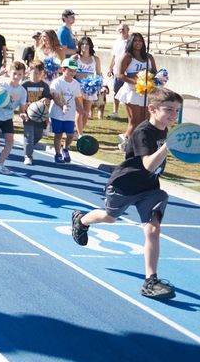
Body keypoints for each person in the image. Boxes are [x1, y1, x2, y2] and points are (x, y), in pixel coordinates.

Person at [71, 87, 183, 300]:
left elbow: (152, 170)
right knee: (109, 217)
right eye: (169, 109)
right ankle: (81, 220)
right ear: (152, 109)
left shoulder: (164, 130)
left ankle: (151, 280)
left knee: (152, 231)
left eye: (177, 111)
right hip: (125, 186)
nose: (173, 115)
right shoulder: (143, 132)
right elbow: (148, 164)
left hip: (149, 189)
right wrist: (167, 147)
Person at [114, 32, 155, 151]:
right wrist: (135, 82)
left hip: (146, 92)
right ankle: (126, 140)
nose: (138, 43)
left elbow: (155, 72)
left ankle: (139, 144)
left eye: (140, 41)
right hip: (131, 92)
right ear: (131, 42)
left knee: (146, 121)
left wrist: (156, 78)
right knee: (135, 121)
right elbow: (119, 75)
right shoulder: (127, 56)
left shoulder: (149, 57)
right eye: (136, 41)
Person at [50, 57, 82, 163]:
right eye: (70, 70)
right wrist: (62, 106)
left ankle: (65, 149)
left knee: (70, 134)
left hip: (70, 114)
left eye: (74, 70)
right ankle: (58, 153)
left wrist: (81, 110)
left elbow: (76, 98)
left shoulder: (76, 84)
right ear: (63, 70)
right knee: (58, 135)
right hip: (57, 114)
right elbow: (55, 97)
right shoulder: (57, 82)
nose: (72, 72)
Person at [20, 60, 51, 165]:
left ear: (42, 73)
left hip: (40, 115)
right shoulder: (24, 85)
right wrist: (25, 107)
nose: (35, 75)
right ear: (29, 72)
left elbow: (48, 99)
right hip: (28, 115)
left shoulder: (44, 86)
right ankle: (28, 156)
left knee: (38, 136)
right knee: (29, 135)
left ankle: (27, 146)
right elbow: (21, 100)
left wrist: (45, 100)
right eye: (33, 72)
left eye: (37, 73)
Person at [74, 36, 102, 137]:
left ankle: (78, 132)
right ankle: (80, 135)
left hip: (90, 88)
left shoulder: (95, 59)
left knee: (86, 113)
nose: (85, 46)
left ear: (90, 45)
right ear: (80, 46)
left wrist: (98, 85)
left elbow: (99, 73)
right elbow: (71, 73)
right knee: (79, 112)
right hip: (77, 87)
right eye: (83, 44)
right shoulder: (75, 58)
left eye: (87, 44)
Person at [107, 23, 131, 118]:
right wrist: (110, 68)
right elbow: (114, 56)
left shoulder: (130, 41)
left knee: (128, 93)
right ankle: (115, 112)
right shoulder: (116, 42)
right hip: (117, 71)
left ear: (128, 30)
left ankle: (130, 114)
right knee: (116, 92)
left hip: (128, 71)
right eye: (120, 29)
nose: (122, 31)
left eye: (123, 29)